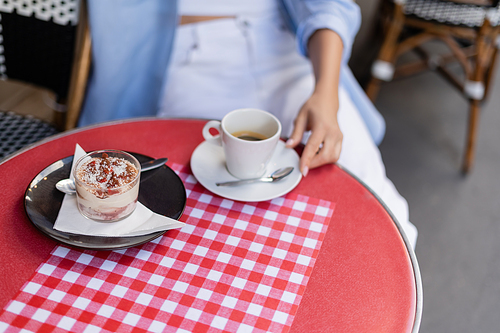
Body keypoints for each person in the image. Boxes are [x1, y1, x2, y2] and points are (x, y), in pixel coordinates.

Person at [79, 0, 418, 248]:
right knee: (205, 213)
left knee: (370, 191)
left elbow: (327, 6)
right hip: (183, 54)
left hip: (286, 48)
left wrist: (327, 94)